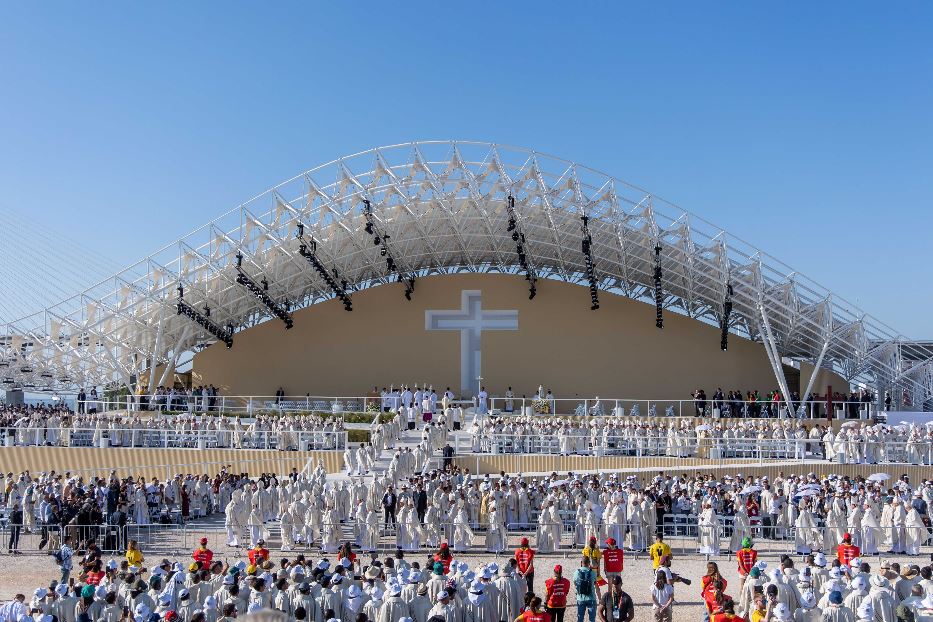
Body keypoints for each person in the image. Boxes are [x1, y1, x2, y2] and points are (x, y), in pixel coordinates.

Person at [574, 557, 599, 622]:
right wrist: (600, 598)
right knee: (592, 619)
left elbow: (575, 583)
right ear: (589, 563)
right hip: (591, 598)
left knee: (580, 618)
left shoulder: (576, 572)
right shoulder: (593, 573)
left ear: (581, 563)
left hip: (580, 598)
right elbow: (596, 586)